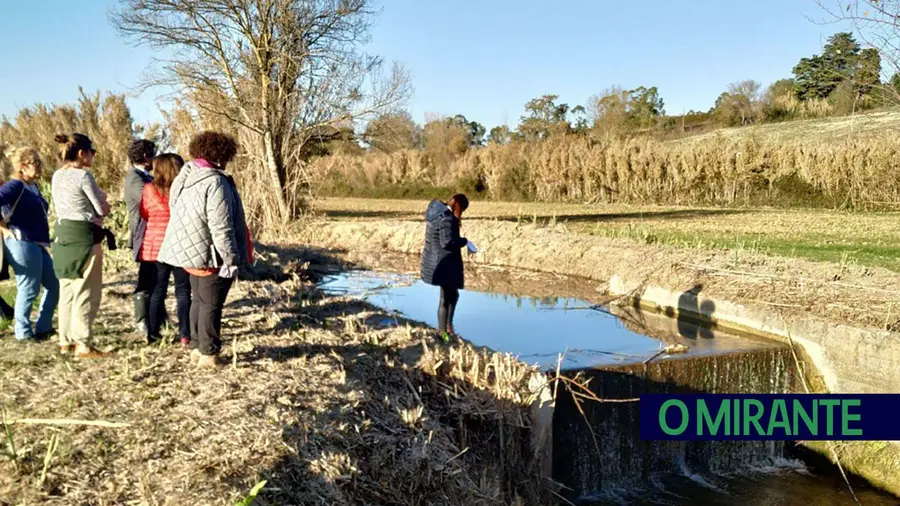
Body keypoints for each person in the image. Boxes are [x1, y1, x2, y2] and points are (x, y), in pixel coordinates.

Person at [158, 131, 252, 368]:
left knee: (198, 301)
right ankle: (209, 354)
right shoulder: (215, 181)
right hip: (210, 254)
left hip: (190, 253)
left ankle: (197, 348)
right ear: (222, 154)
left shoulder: (186, 177)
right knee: (211, 304)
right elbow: (221, 225)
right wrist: (230, 259)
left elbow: (176, 209)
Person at [51, 133, 111, 358]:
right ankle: (83, 343)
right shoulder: (84, 176)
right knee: (86, 290)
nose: (93, 156)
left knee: (67, 289)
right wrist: (105, 202)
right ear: (81, 153)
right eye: (92, 151)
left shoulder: (56, 176)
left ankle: (65, 341)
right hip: (83, 235)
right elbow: (100, 209)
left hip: (62, 234)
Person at [0, 147, 58, 341]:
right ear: (23, 167)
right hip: (21, 242)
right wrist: (4, 228)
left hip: (37, 243)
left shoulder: (32, 186)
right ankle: (23, 332)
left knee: (53, 284)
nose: (40, 167)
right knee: (29, 287)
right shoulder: (14, 186)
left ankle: (43, 327)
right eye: (37, 163)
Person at [138, 153, 191, 345]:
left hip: (156, 245)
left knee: (157, 291)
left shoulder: (149, 189)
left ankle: (152, 332)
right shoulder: (185, 189)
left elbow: (144, 213)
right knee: (183, 291)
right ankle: (185, 333)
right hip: (180, 243)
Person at [419, 194, 471, 343]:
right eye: (462, 210)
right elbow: (447, 242)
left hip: (438, 261)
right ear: (457, 206)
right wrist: (465, 242)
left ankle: (448, 327)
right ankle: (442, 332)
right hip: (443, 263)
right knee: (446, 298)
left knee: (452, 295)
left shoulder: (437, 213)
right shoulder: (446, 217)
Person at [124, 139, 157, 337]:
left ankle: (153, 318)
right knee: (146, 279)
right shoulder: (136, 179)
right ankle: (142, 321)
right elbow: (149, 199)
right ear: (146, 157)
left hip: (150, 234)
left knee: (154, 279)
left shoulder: (142, 176)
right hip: (143, 235)